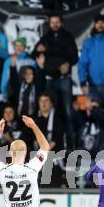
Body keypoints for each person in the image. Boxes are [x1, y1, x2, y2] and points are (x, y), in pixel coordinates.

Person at [38, 14, 78, 147]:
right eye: (52, 22)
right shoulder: (45, 37)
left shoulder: (67, 36)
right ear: (49, 24)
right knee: (50, 113)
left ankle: (71, 149)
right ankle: (50, 146)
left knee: (67, 113)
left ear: (61, 23)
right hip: (50, 79)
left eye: (57, 22)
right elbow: (35, 52)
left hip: (63, 79)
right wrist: (39, 55)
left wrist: (68, 63)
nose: (54, 24)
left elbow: (74, 57)